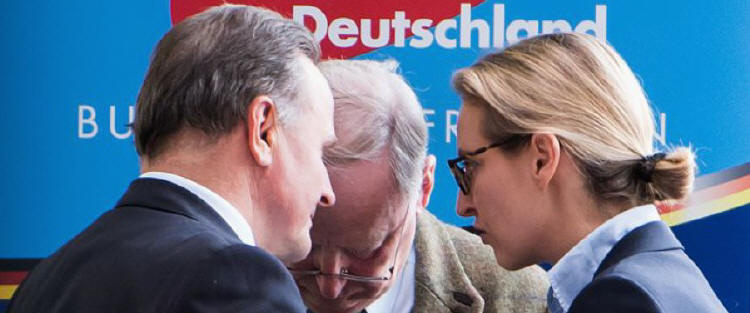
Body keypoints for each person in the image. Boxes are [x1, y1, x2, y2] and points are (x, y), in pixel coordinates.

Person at [8, 4, 335, 313]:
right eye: (320, 152)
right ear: (263, 130)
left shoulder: (47, 279)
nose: (327, 191)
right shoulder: (239, 279)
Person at [449, 32, 728, 313]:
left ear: (542, 159)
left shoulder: (622, 300)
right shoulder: (656, 279)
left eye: (469, 166)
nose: (463, 206)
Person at [288, 59, 548, 313]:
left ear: (424, 187)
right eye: (306, 244)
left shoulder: (521, 295)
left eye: (365, 251)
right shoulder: (248, 275)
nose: (329, 286)